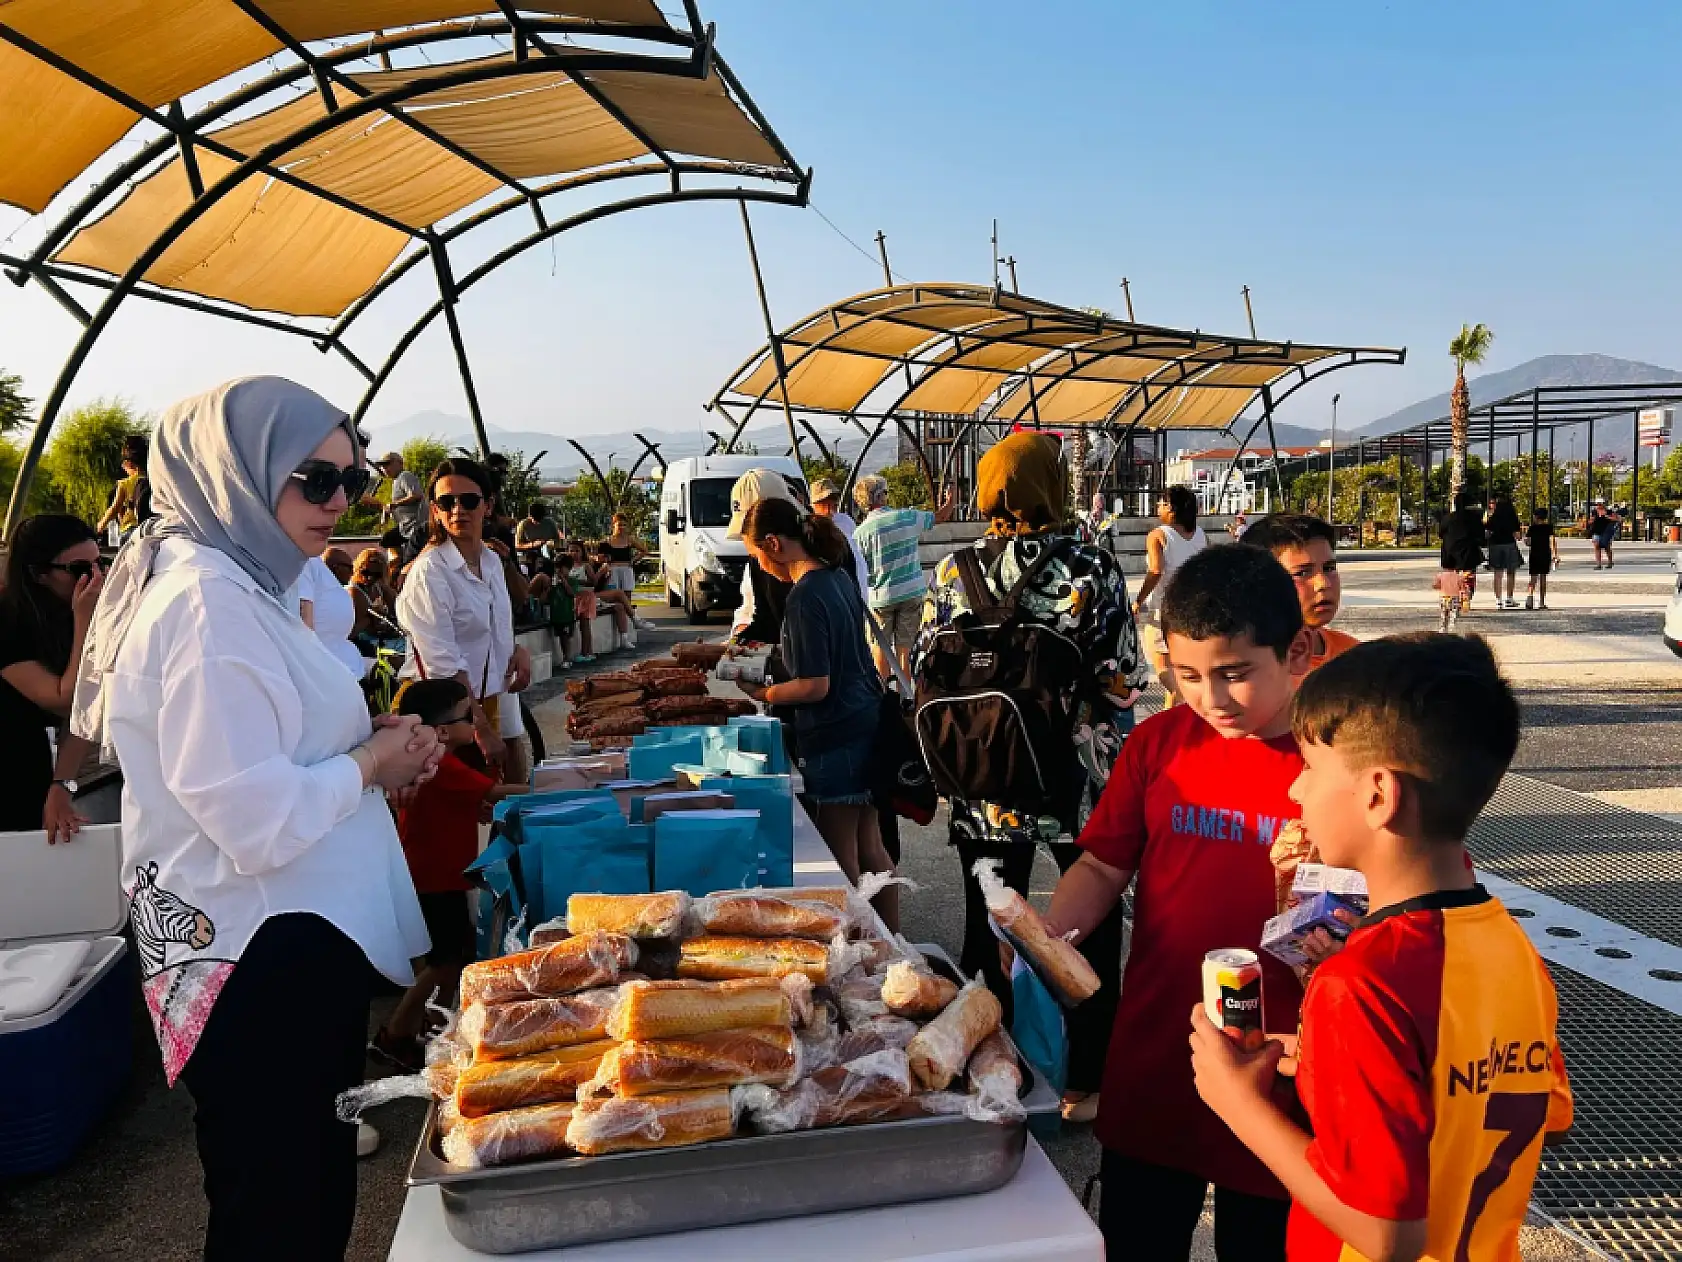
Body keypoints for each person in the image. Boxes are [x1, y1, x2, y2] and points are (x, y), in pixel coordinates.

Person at [70, 377, 439, 1259]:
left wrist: (366, 742)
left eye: (352, 480)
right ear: (234, 472)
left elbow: (260, 746)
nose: (342, 502)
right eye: (315, 479)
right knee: (280, 1210)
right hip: (258, 956)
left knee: (295, 1193)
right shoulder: (208, 604)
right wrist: (368, 764)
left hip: (274, 946)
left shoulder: (244, 578)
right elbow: (251, 816)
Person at [1191, 634, 1571, 1262]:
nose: (1296, 793)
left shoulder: (1359, 982)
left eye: (1310, 770)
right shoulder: (1512, 948)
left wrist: (1239, 1105)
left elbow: (1388, 1234)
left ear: (1377, 795)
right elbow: (1543, 1118)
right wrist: (1325, 1062)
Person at [1046, 544, 1311, 1261]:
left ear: (1298, 652)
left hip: (1283, 1076)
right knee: (1138, 1240)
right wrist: (1047, 939)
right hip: (1162, 1056)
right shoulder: (1161, 743)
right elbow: (1102, 865)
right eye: (1188, 675)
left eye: (1234, 674)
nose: (1212, 699)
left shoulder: (1336, 763)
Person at [912, 432, 1149, 1124]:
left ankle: (988, 1069)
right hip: (1072, 780)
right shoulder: (1090, 566)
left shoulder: (954, 571)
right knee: (1089, 932)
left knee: (986, 930)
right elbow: (1124, 678)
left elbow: (929, 663)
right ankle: (1082, 1082)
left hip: (982, 778)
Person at [734, 496, 896, 929]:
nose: (758, 565)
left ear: (772, 544)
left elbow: (813, 685)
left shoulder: (804, 596)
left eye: (754, 554)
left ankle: (856, 951)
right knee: (873, 847)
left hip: (836, 732)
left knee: (840, 850)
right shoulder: (836, 578)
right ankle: (892, 942)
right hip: (866, 721)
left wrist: (764, 693)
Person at [373, 678, 530, 1068]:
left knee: (452, 957)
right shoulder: (441, 763)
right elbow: (496, 793)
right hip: (433, 877)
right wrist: (557, 789)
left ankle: (431, 1025)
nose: (475, 724)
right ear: (442, 730)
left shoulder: (441, 760)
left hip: (437, 874)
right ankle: (398, 1034)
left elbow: (471, 801)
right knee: (446, 959)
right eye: (468, 717)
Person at [397, 458, 533, 775]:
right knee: (451, 815)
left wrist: (517, 651)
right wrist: (480, 727)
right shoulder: (431, 572)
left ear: (487, 506)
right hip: (444, 718)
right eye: (447, 502)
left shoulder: (491, 562)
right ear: (435, 510)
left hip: (484, 702)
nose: (458, 510)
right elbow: (442, 663)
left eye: (469, 500)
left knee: (492, 802)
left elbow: (494, 627)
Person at [0, 514, 105, 834]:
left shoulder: (68, 608)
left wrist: (63, 784)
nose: (96, 577)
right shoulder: (8, 622)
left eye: (101, 563)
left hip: (34, 757)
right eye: (80, 570)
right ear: (39, 574)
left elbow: (84, 709)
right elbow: (66, 698)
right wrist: (86, 622)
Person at [850, 473, 956, 677]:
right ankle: (905, 695)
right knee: (905, 650)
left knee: (880, 648)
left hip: (880, 597)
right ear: (882, 496)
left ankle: (884, 696)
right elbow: (941, 516)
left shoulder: (860, 533)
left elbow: (860, 569)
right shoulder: (908, 518)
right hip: (910, 593)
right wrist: (950, 499)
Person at [1239, 513, 1358, 671]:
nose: (1323, 583)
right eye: (1302, 573)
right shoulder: (1250, 670)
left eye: (1329, 568)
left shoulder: (1354, 656)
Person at [1132, 486, 1209, 701]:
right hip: (1191, 609)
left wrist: (1138, 600)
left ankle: (1187, 703)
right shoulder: (1201, 535)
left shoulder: (1158, 535)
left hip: (1163, 609)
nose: (1158, 506)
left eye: (1161, 503)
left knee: (1163, 667)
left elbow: (1156, 570)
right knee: (1180, 666)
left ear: (1172, 509)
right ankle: (1173, 720)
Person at [729, 469, 807, 646]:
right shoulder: (760, 563)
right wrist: (734, 643)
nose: (759, 564)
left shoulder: (812, 587)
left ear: (772, 542)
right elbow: (764, 621)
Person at [809, 477, 871, 600]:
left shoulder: (844, 521)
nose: (830, 507)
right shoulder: (811, 528)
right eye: (824, 503)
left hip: (858, 588)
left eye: (833, 502)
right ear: (813, 504)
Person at [1438, 492, 1487, 631]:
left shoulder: (1448, 518)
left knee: (1452, 577)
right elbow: (1481, 538)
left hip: (1449, 552)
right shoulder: (1474, 518)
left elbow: (1441, 534)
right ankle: (1465, 596)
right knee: (1468, 574)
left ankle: (1451, 599)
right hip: (1468, 552)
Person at [604, 513, 656, 631]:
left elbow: (644, 550)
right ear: (614, 525)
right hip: (613, 570)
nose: (621, 527)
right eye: (619, 525)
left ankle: (630, 624)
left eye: (624, 525)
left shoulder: (629, 539)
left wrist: (633, 561)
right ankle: (618, 625)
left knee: (627, 597)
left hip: (626, 569)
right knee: (615, 596)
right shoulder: (608, 541)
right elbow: (601, 556)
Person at [95, 434, 149, 543]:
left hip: (130, 530)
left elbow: (115, 508)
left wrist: (101, 524)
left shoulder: (124, 483)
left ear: (128, 463)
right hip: (149, 529)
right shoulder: (154, 481)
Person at [373, 451, 425, 560]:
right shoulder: (396, 481)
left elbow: (416, 495)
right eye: (383, 465)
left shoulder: (405, 476)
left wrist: (394, 504)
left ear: (400, 463)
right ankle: (400, 562)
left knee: (387, 540)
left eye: (388, 464)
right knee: (388, 540)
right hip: (405, 526)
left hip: (414, 526)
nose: (385, 468)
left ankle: (399, 563)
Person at [590, 540, 639, 651]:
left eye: (609, 557)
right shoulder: (591, 565)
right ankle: (635, 618)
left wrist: (607, 577)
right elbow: (592, 583)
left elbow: (604, 588)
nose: (607, 559)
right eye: (604, 556)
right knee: (619, 593)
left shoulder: (607, 566)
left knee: (619, 607)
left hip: (598, 597)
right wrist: (600, 573)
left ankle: (624, 638)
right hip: (588, 595)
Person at [1484, 494, 1524, 609]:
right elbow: (1518, 536)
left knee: (1498, 574)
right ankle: (1509, 598)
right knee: (1511, 572)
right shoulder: (1512, 517)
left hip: (1495, 545)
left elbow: (1487, 533)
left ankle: (1498, 600)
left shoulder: (1493, 517)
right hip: (1509, 545)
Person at [514, 499, 563, 573]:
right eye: (535, 520)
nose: (538, 523)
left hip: (548, 553)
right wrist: (533, 544)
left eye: (540, 520)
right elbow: (517, 545)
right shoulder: (523, 524)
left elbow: (558, 540)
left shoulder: (550, 523)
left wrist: (552, 543)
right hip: (529, 556)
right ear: (530, 516)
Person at [1526, 506, 1560, 610]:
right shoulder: (1548, 527)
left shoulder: (1532, 528)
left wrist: (1528, 542)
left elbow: (1528, 542)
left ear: (1536, 516)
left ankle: (1530, 599)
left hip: (1534, 554)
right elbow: (1552, 541)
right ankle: (1541, 602)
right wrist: (1555, 554)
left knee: (1533, 577)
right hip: (1545, 553)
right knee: (1543, 578)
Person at [1589, 499, 1619, 569]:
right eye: (1597, 504)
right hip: (1596, 531)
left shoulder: (1609, 511)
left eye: (1600, 504)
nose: (1598, 506)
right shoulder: (1594, 512)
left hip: (1606, 532)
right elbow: (1590, 521)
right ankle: (1598, 564)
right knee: (1597, 546)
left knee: (1607, 547)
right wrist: (1591, 521)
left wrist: (1606, 516)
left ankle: (1610, 562)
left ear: (1603, 504)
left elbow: (1616, 519)